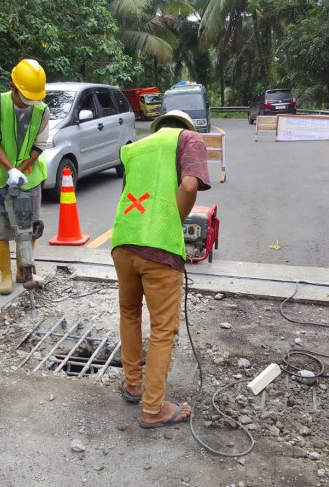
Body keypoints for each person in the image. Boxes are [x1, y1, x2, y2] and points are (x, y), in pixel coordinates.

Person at [111, 110, 211, 428]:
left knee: (129, 312)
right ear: (185, 130)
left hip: (123, 239)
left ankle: (133, 383)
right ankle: (153, 409)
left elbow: (128, 194)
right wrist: (174, 222)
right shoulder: (189, 139)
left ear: (158, 128)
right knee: (163, 330)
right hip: (159, 248)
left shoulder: (135, 148)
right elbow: (190, 185)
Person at [0, 58, 50, 295]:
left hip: (30, 178)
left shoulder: (41, 109)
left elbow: (39, 145)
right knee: (1, 228)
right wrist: (10, 169)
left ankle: (26, 270)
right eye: (26, 97)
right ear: (12, 86)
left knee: (29, 226)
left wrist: (20, 171)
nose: (30, 103)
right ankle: (5, 275)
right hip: (1, 177)